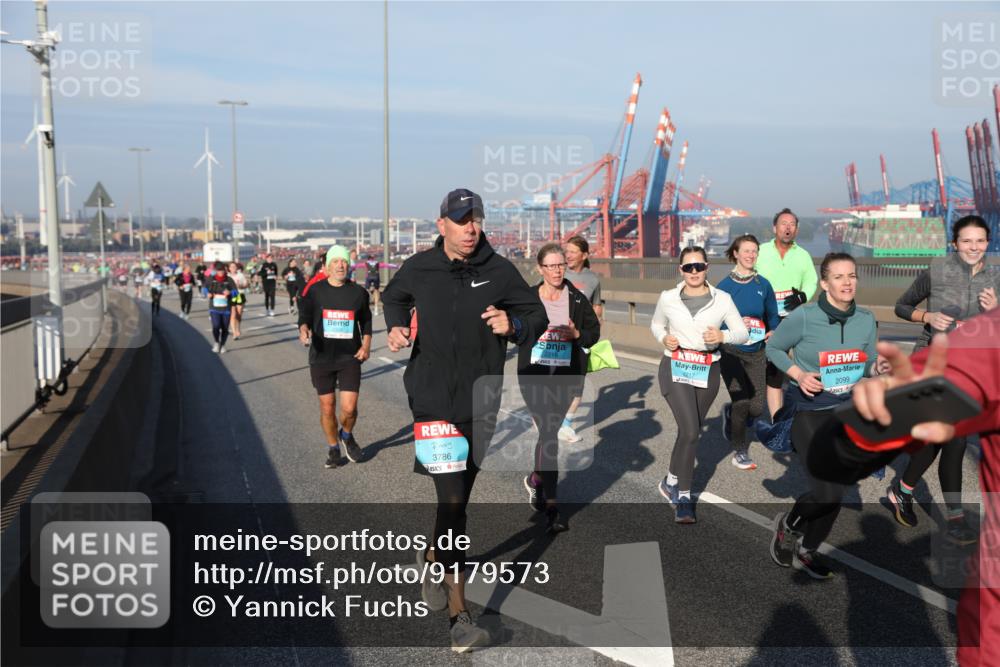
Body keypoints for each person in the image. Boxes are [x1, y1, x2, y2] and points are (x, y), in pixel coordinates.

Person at [382, 188, 547, 652]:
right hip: (432, 397)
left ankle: (434, 555)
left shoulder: (499, 269)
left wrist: (513, 327)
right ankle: (460, 617)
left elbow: (534, 313)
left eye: (476, 218)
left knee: (458, 495)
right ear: (442, 226)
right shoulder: (420, 266)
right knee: (453, 501)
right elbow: (393, 297)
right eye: (461, 220)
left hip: (481, 398)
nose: (471, 227)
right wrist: (396, 324)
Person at [849, 313, 999, 667]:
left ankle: (936, 503)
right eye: (966, 248)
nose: (975, 251)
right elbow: (905, 309)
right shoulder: (941, 280)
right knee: (941, 440)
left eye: (980, 248)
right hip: (946, 371)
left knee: (954, 445)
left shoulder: (986, 291)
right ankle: (910, 491)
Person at [767, 252, 889, 579]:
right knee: (827, 492)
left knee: (836, 490)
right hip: (809, 412)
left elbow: (868, 361)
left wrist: (879, 367)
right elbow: (774, 348)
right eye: (838, 277)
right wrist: (798, 374)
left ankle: (807, 551)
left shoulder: (865, 318)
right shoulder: (804, 317)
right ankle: (788, 527)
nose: (847, 282)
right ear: (824, 283)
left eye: (852, 276)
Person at [888, 214, 999, 544]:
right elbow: (901, 306)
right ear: (955, 243)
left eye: (979, 240)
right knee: (956, 439)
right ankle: (955, 517)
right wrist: (928, 316)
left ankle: (903, 490)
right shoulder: (936, 270)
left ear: (988, 243)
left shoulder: (996, 275)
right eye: (966, 240)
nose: (973, 247)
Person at [650, 246, 748, 523]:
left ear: (707, 268)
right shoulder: (668, 298)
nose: (694, 272)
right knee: (692, 430)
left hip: (707, 369)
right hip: (675, 366)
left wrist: (722, 336)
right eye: (688, 267)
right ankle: (683, 496)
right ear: (680, 270)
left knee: (688, 431)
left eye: (699, 266)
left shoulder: (723, 299)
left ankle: (670, 479)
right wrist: (663, 338)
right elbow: (657, 325)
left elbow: (741, 332)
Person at [518, 243, 600, 532]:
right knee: (549, 433)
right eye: (550, 266)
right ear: (540, 269)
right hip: (534, 375)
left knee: (549, 433)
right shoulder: (527, 299)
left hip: (566, 375)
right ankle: (553, 505)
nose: (556, 270)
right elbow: (516, 331)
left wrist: (578, 333)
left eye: (560, 265)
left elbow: (593, 333)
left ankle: (536, 479)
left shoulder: (577, 299)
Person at [298, 245, 372, 468]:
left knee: (349, 409)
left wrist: (366, 344)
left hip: (349, 357)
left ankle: (347, 435)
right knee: (327, 407)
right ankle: (333, 448)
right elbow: (305, 316)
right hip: (322, 358)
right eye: (336, 262)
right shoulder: (315, 291)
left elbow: (366, 322)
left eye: (344, 262)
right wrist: (303, 329)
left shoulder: (358, 293)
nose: (341, 265)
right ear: (327, 267)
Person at [717, 234, 781, 470]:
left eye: (754, 251)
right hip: (731, 351)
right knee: (742, 401)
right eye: (746, 251)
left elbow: (772, 314)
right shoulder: (724, 287)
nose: (751, 255)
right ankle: (739, 450)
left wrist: (773, 329)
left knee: (756, 407)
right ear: (735, 253)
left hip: (756, 351)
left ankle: (731, 414)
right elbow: (715, 320)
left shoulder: (763, 284)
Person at [755, 208, 819, 419]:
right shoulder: (760, 251)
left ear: (797, 229)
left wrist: (803, 296)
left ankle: (788, 417)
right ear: (774, 228)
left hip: (794, 318)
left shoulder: (803, 255)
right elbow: (746, 274)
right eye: (783, 223)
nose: (788, 227)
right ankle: (767, 416)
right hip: (765, 318)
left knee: (798, 365)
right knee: (769, 370)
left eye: (792, 224)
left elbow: (811, 281)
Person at [559, 235, 604, 443]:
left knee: (578, 383)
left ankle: (566, 424)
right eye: (566, 251)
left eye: (572, 252)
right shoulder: (557, 272)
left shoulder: (593, 280)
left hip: (581, 338)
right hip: (557, 337)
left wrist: (595, 328)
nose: (568, 255)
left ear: (584, 255)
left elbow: (596, 309)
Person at [206, 261, 237, 354]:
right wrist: (208, 294)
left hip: (226, 308)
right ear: (216, 270)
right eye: (219, 270)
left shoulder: (229, 280)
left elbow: (236, 293)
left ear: (225, 270)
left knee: (225, 328)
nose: (221, 272)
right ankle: (216, 342)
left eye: (222, 270)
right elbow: (205, 288)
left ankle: (223, 345)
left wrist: (230, 293)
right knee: (216, 326)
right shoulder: (211, 279)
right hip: (214, 307)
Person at [228, 262, 249, 340]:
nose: (233, 268)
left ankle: (238, 328)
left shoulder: (240, 275)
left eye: (234, 267)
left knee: (239, 313)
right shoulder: (227, 276)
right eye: (231, 267)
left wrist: (241, 285)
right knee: (233, 314)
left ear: (237, 268)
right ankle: (234, 333)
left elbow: (246, 285)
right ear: (229, 268)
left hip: (240, 295)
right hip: (231, 296)